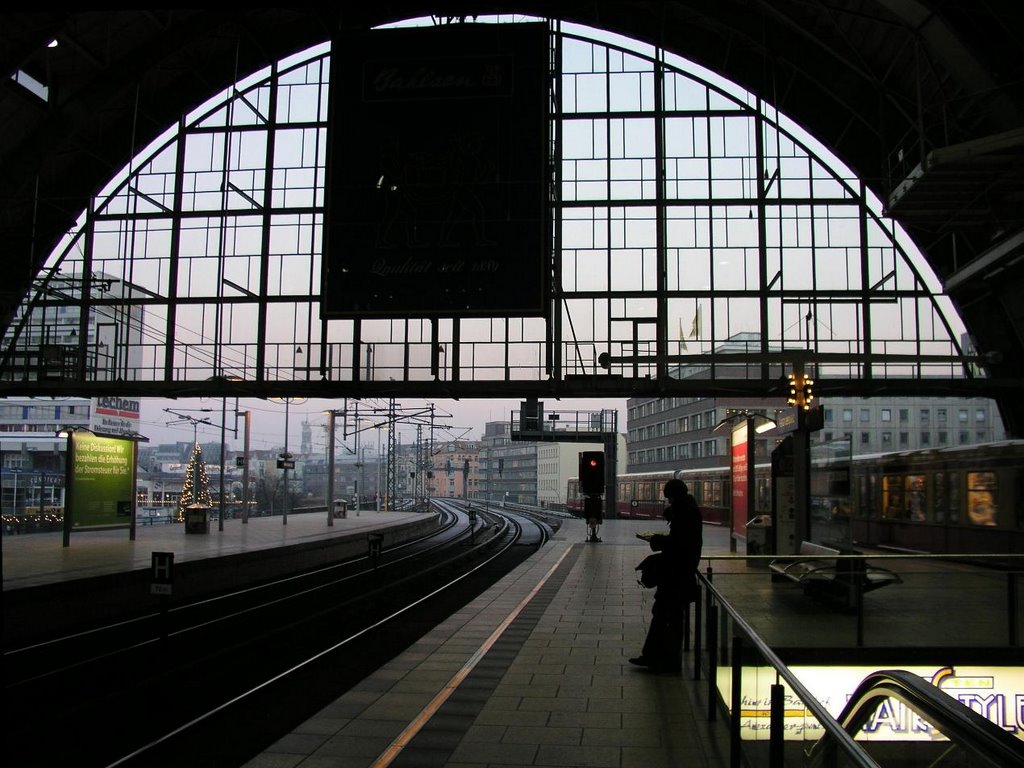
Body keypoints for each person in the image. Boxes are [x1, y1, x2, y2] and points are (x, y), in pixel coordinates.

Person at [630, 478, 702, 672]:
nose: (668, 501)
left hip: (676, 575)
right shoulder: (688, 510)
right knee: (666, 616)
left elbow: (679, 544)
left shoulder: (685, 514)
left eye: (669, 497)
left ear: (674, 495)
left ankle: (664, 660)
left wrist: (656, 540)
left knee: (666, 616)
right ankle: (656, 657)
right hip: (678, 574)